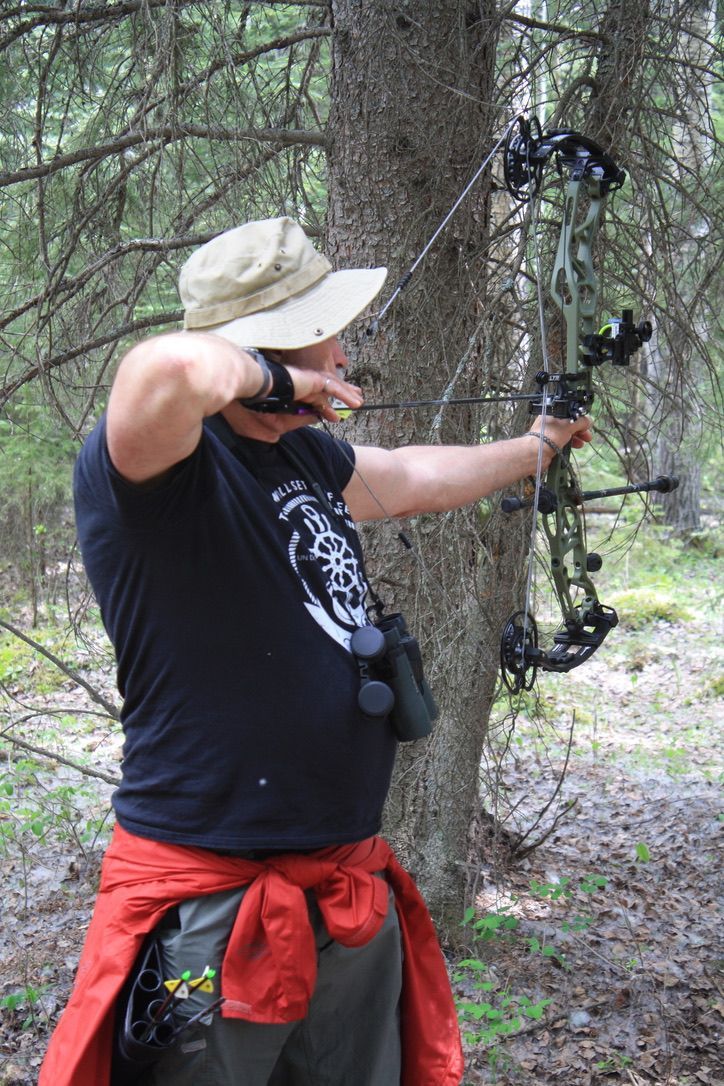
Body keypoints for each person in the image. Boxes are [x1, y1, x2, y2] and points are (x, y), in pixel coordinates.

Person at [39, 217, 592, 1086]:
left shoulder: (300, 454)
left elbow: (408, 477)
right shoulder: (158, 470)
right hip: (208, 909)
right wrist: (272, 376)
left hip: (343, 891)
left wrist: (536, 449)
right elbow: (167, 368)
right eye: (322, 336)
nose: (341, 356)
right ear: (272, 347)